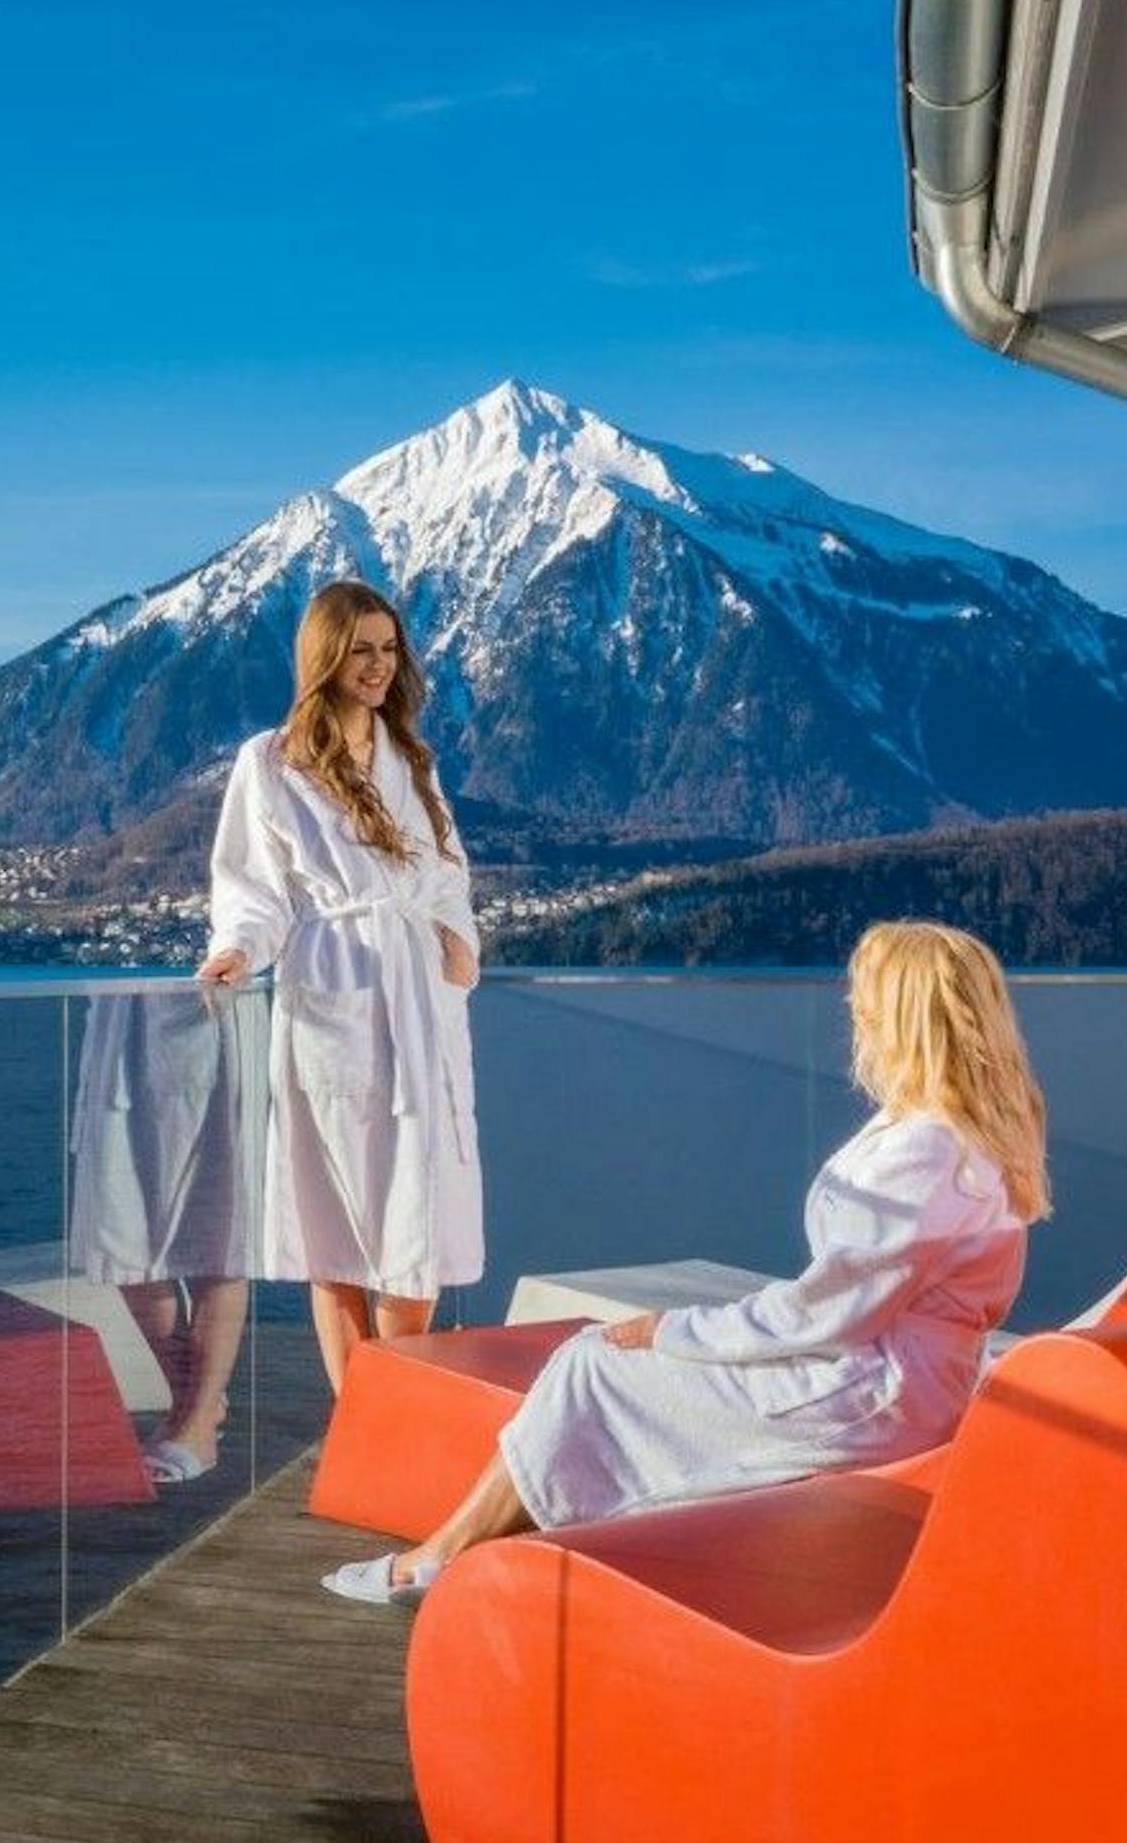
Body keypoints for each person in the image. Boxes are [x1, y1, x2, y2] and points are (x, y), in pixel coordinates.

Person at [322, 919, 1049, 1606]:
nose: (856, 1016)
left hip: (866, 1392)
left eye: (868, 1003)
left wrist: (673, 1329)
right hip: (899, 1380)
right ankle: (485, 1554)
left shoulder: (925, 1151)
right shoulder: (965, 1137)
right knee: (593, 1364)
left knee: (591, 1364)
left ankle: (446, 1557)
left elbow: (823, 1313)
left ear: (907, 1020)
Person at [198, 577, 484, 1388]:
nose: (378, 665)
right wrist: (239, 949)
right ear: (324, 655)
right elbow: (254, 888)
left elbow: (449, 874)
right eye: (361, 649)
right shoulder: (272, 761)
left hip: (420, 1001)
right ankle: (362, 1422)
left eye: (389, 648)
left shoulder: (411, 760)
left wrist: (457, 941)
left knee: (414, 1232)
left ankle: (393, 1415)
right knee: (337, 1234)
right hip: (332, 995)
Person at [67, 983, 263, 1483]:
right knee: (122, 1238)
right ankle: (194, 1400)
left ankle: (197, 1420)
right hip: (123, 1020)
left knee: (219, 1229)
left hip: (218, 1010)